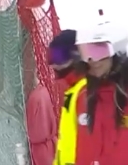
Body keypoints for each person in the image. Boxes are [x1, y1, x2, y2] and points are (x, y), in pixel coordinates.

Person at [73, 28, 128, 165]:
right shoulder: (84, 96)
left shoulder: (124, 93)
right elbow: (83, 146)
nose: (93, 61)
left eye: (99, 51)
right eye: (86, 54)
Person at [49, 29, 86, 165]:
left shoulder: (86, 92)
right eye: (51, 57)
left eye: (59, 57)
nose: (53, 64)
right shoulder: (73, 91)